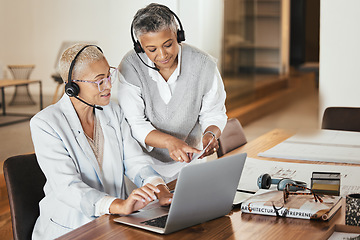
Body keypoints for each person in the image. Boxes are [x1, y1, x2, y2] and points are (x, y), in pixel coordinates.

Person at [30, 44, 170, 239]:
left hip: (113, 223)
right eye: (99, 81)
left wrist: (159, 188)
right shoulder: (45, 123)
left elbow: (134, 160)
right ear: (72, 86)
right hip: (72, 229)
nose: (108, 86)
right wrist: (118, 205)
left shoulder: (113, 112)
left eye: (109, 76)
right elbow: (67, 186)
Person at [118, 3, 228, 183]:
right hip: (143, 165)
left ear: (178, 35)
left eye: (168, 44)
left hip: (190, 160)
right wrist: (170, 142)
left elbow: (214, 113)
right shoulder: (131, 66)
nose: (162, 55)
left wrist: (211, 134)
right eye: (151, 50)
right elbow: (135, 123)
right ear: (140, 46)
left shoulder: (204, 64)